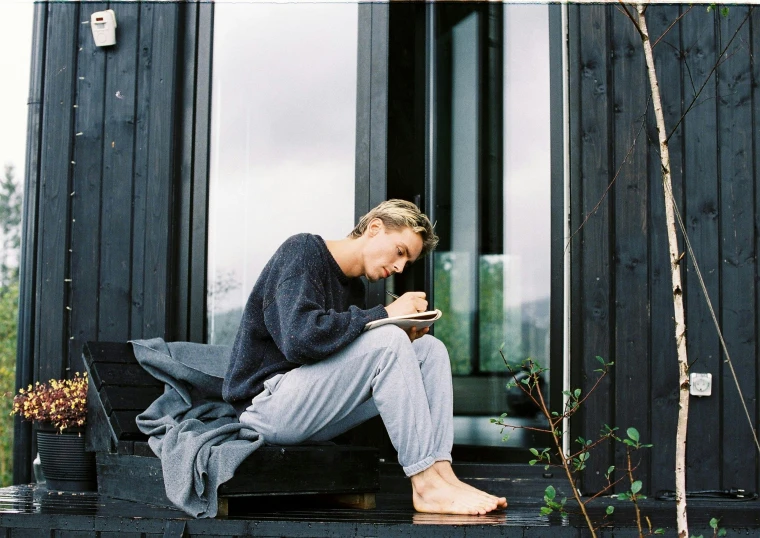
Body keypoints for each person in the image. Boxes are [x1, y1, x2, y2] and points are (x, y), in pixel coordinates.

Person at [223, 199, 507, 515]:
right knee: (387, 341)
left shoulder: (353, 289)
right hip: (265, 409)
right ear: (374, 229)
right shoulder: (302, 251)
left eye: (407, 261)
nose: (400, 267)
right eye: (400, 252)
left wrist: (400, 331)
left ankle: (442, 473)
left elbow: (335, 355)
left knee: (429, 351)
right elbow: (297, 340)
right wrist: (384, 316)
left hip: (309, 409)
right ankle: (425, 485)